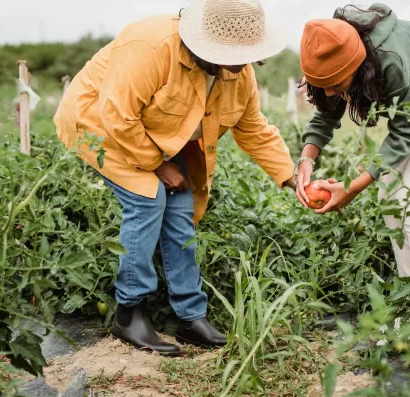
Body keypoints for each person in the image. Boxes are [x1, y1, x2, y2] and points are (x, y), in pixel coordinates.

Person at [53, 0, 295, 356]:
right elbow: (117, 116)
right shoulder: (151, 47)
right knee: (148, 198)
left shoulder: (237, 72)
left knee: (181, 208)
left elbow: (254, 129)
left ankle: (190, 317)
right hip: (100, 125)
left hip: (160, 133)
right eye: (232, 56)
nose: (240, 65)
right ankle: (129, 313)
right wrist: (157, 165)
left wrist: (291, 178)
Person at [295, 4, 410, 279]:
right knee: (388, 195)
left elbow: (406, 132)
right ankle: (409, 296)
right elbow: (325, 116)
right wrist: (305, 160)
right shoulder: (331, 50)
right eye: (322, 84)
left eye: (336, 84)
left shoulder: (391, 59)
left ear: (358, 67)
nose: (329, 92)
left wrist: (351, 188)